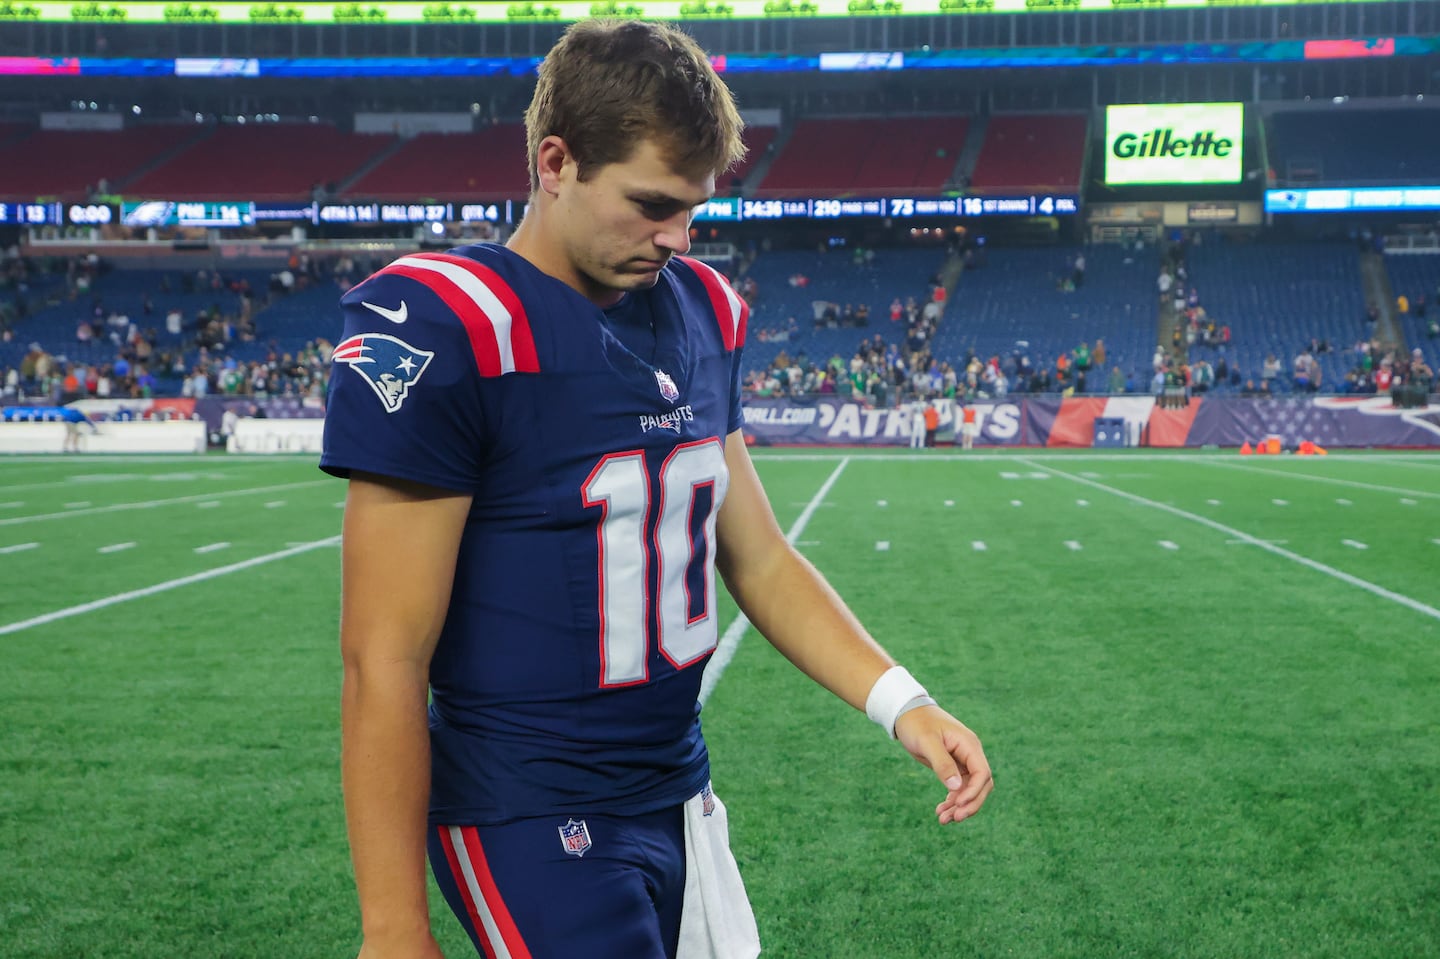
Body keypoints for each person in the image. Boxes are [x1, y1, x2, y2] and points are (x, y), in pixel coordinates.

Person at [320, 19, 992, 959]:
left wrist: (903, 701)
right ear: (556, 161)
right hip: (528, 811)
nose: (674, 237)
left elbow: (755, 553)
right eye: (649, 203)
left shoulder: (702, 309)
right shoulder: (451, 323)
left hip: (677, 795)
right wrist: (392, 929)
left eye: (693, 209)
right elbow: (381, 656)